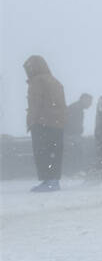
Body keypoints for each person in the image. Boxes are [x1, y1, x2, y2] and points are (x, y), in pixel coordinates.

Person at [24, 55, 66, 192]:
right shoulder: (55, 81)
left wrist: (31, 121)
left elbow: (35, 104)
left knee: (42, 152)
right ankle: (54, 181)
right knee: (54, 152)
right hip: (57, 123)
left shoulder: (37, 81)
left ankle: (48, 181)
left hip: (42, 122)